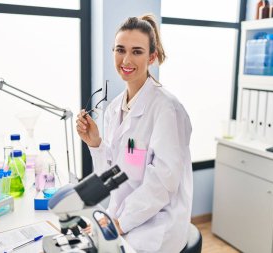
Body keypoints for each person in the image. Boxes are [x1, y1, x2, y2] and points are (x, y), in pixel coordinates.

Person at [76, 14, 193, 253]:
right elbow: (112, 174)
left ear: (152, 57)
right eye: (120, 49)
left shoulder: (167, 109)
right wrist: (96, 144)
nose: (126, 59)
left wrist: (122, 222)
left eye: (137, 52)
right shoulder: (114, 109)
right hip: (123, 213)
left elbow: (163, 181)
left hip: (158, 222)